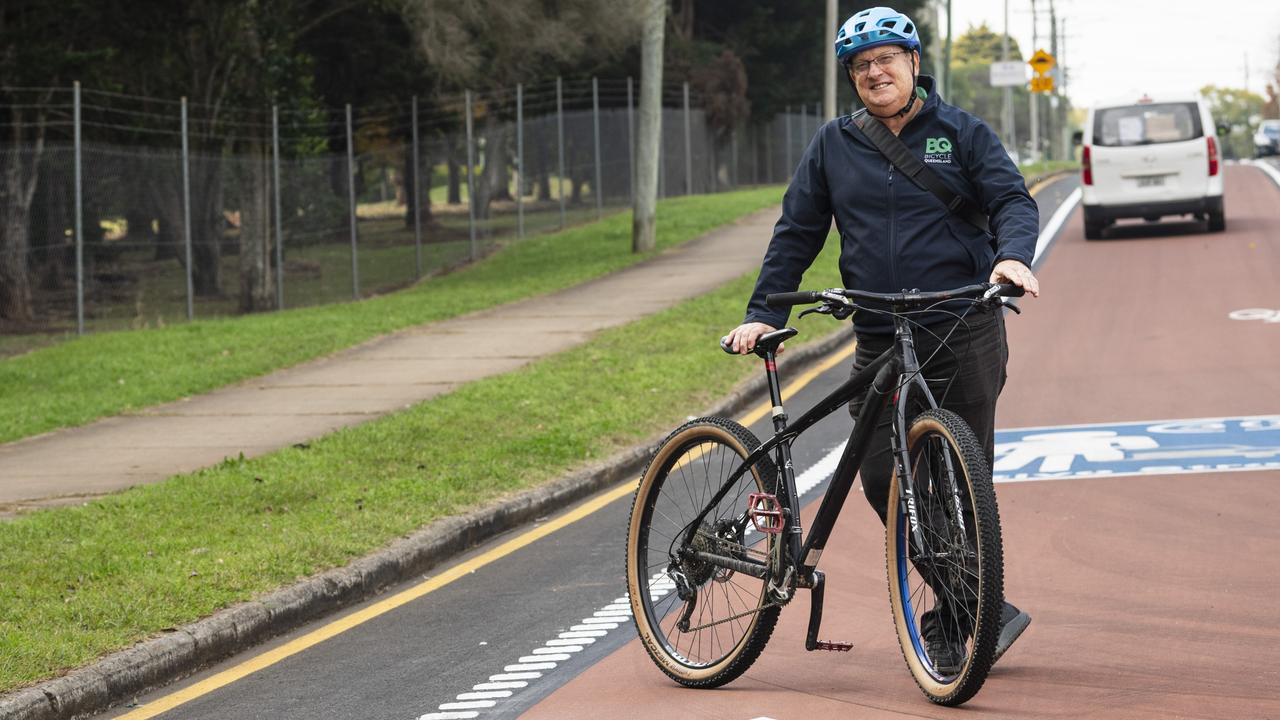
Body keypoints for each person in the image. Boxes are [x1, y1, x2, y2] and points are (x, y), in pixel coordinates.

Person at [725, 6, 1036, 674]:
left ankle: (958, 622)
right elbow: (796, 234)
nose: (874, 73)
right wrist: (760, 310)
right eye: (861, 66)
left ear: (914, 64)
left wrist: (1011, 257)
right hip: (878, 334)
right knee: (882, 479)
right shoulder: (834, 146)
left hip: (961, 328)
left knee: (958, 477)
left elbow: (1013, 199)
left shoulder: (963, 133)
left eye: (886, 59)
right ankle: (978, 606)